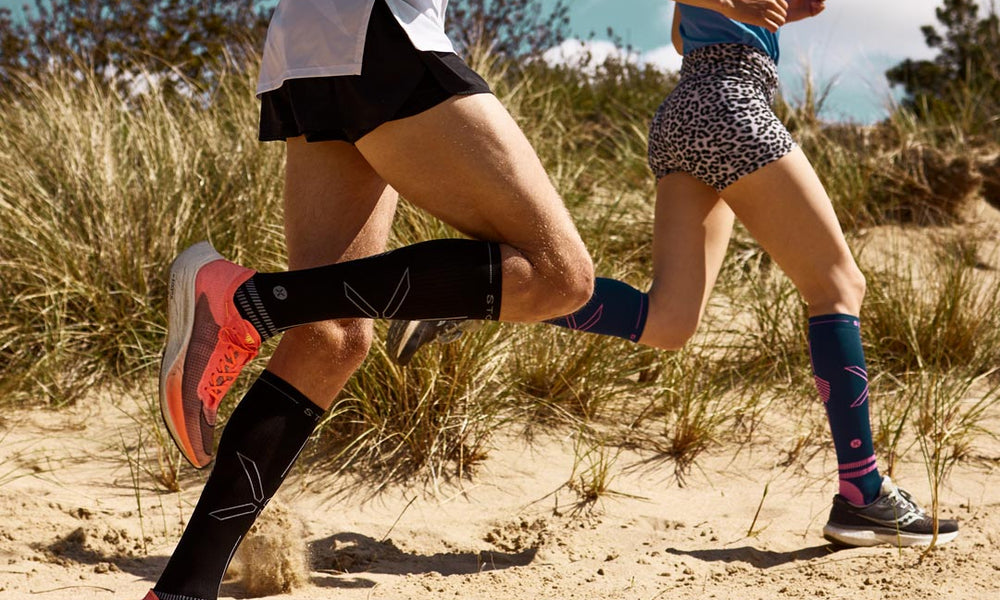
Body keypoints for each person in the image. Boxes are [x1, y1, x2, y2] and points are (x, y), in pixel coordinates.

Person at [386, 0, 960, 549]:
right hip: (731, 107)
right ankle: (862, 492)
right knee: (838, 285)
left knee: (668, 322)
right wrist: (735, 8)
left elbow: (684, 35)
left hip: (686, 112)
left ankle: (478, 289)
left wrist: (759, 16)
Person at [144, 1, 595, 598]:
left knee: (330, 338)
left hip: (321, 37)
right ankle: (252, 301)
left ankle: (181, 590)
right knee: (559, 277)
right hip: (376, 28)